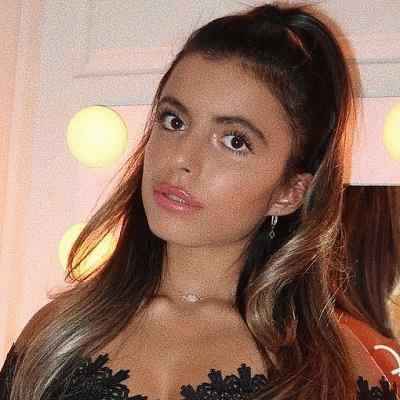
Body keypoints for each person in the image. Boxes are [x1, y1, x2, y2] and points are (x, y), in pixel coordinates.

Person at [1, 2, 400, 399]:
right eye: (174, 121)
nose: (182, 158)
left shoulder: (333, 373)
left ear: (289, 192)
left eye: (234, 141)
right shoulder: (57, 336)